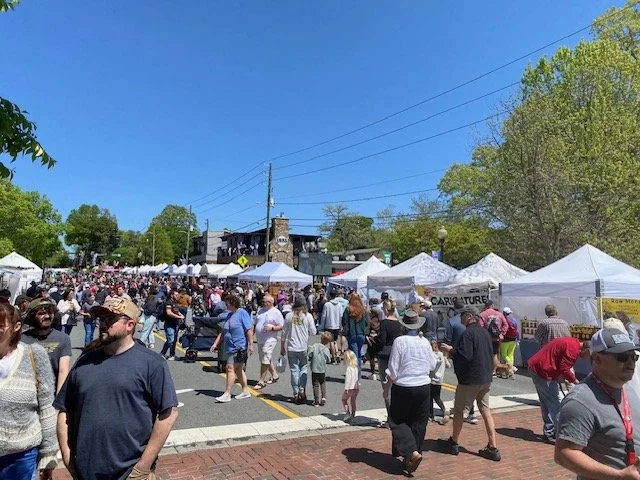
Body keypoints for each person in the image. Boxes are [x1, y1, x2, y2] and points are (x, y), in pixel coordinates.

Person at [54, 296, 179, 480]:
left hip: (130, 472)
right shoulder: (84, 362)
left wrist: (143, 466)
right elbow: (64, 410)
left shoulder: (152, 363)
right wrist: (67, 456)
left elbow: (168, 414)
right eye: (101, 319)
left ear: (130, 325)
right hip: (86, 471)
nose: (103, 324)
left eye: (110, 319)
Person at [555, 328, 640, 479]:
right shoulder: (580, 401)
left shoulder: (627, 388)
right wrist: (619, 475)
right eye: (622, 357)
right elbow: (564, 453)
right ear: (597, 358)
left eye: (634, 357)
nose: (630, 363)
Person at [0, 304, 57, 480]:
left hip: (21, 457)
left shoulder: (34, 355)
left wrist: (48, 456)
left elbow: (47, 408)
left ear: (17, 327)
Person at [440, 307, 501, 462]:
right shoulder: (485, 332)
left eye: (461, 316)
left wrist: (451, 350)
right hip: (486, 377)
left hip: (470, 379)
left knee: (460, 411)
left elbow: (465, 355)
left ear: (468, 317)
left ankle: (454, 442)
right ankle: (493, 446)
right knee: (485, 409)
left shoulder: (467, 333)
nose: (460, 319)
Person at [382, 310, 436, 475]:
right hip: (424, 385)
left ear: (404, 326)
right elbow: (433, 364)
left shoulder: (400, 341)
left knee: (397, 420)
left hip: (404, 385)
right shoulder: (425, 341)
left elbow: (393, 368)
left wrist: (387, 381)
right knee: (419, 422)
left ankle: (411, 452)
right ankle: (414, 453)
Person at [528, 336, 591, 444]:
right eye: (589, 356)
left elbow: (559, 362)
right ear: (586, 350)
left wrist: (559, 375)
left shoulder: (572, 342)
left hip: (538, 367)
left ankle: (549, 431)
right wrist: (576, 382)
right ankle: (562, 435)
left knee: (546, 402)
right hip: (543, 370)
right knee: (554, 404)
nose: (587, 359)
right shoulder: (573, 350)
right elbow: (565, 369)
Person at [22, 298, 72, 394]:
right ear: (33, 316)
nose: (47, 316)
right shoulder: (22, 339)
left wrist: (58, 402)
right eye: (41, 313)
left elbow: (63, 372)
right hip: (26, 394)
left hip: (51, 395)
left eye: (50, 313)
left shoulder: (63, 339)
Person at [210, 294, 253, 402]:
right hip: (229, 346)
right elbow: (223, 332)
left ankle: (227, 393)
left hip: (238, 346)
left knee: (230, 368)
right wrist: (215, 344)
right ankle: (245, 390)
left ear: (233, 303)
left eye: (227, 303)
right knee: (238, 369)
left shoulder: (242, 313)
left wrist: (251, 344)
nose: (226, 305)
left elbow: (248, 329)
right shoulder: (229, 315)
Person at [281, 295, 316, 404]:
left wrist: (282, 346)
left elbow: (284, 333)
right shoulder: (308, 316)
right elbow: (313, 332)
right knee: (304, 368)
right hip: (303, 347)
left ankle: (296, 392)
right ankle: (302, 388)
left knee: (294, 370)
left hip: (291, 346)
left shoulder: (289, 316)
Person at [377, 299, 403, 412]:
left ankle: (390, 415)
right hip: (396, 354)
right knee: (395, 384)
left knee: (386, 385)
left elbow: (382, 340)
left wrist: (374, 340)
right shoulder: (399, 323)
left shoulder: (384, 323)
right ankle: (397, 412)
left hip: (385, 354)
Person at [254, 294, 284, 389]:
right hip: (260, 338)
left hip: (270, 339)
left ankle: (261, 381)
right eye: (262, 301)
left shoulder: (276, 312)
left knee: (266, 356)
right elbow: (255, 323)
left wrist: (273, 328)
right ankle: (274, 375)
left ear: (270, 302)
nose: (263, 303)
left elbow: (282, 325)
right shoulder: (260, 311)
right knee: (264, 357)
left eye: (265, 301)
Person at [479, 300, 508, 373]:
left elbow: (480, 326)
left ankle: (486, 369)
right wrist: (502, 333)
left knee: (485, 353)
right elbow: (505, 325)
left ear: (485, 306)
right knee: (494, 354)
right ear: (492, 305)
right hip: (496, 338)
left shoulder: (482, 314)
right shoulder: (499, 314)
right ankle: (494, 371)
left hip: (486, 338)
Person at [342, 293, 369, 370]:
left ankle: (355, 373)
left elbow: (344, 322)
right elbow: (367, 322)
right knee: (359, 354)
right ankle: (358, 373)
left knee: (354, 354)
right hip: (361, 333)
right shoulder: (364, 310)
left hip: (352, 333)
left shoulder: (348, 309)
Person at [319, 290, 344, 363]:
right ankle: (337, 355)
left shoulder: (327, 305)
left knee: (331, 341)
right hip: (337, 325)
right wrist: (340, 325)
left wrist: (322, 325)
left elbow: (324, 316)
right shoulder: (339, 305)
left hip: (329, 325)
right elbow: (341, 315)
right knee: (335, 341)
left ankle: (333, 357)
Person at [308, 331, 332, 406]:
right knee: (323, 382)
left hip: (314, 369)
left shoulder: (314, 346)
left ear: (321, 338)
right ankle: (323, 397)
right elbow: (328, 359)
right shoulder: (326, 349)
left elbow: (310, 354)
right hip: (322, 369)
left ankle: (316, 401)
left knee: (315, 385)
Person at [160, 289, 184, 360]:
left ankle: (172, 355)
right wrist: (179, 317)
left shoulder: (174, 303)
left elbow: (176, 311)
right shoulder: (168, 303)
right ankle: (162, 353)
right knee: (171, 340)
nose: (177, 296)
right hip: (169, 324)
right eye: (176, 295)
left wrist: (181, 315)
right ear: (171, 295)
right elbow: (169, 313)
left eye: (178, 295)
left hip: (175, 323)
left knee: (174, 341)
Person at [430, 340, 449, 424]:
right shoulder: (442, 355)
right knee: (437, 396)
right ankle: (444, 409)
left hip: (432, 380)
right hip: (440, 380)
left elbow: (431, 367)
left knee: (430, 398)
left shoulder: (432, 356)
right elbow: (449, 366)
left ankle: (430, 415)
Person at [499, 306, 520, 376]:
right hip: (514, 339)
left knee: (504, 354)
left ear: (504, 313)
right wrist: (518, 339)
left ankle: (511, 367)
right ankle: (510, 369)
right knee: (510, 355)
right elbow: (517, 329)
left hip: (505, 340)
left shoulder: (503, 320)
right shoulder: (514, 319)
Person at [342, 349, 360, 423]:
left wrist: (346, 388)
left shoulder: (348, 368)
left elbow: (348, 379)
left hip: (349, 388)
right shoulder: (356, 368)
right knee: (353, 401)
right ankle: (353, 415)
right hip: (356, 388)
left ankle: (348, 413)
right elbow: (358, 377)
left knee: (344, 400)